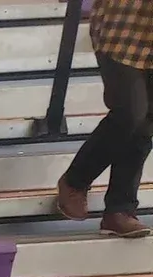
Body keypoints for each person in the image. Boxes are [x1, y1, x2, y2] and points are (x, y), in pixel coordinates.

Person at [57, 0, 153, 238]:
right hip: (125, 27)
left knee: (145, 124)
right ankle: (75, 180)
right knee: (130, 112)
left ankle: (120, 211)